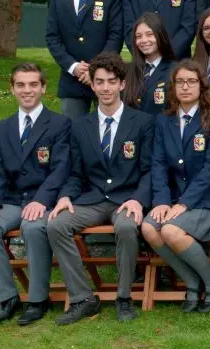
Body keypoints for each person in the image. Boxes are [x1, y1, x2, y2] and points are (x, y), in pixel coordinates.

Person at [47, 52, 154, 324]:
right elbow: (75, 172)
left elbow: (150, 169)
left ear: (122, 84)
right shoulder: (80, 126)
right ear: (92, 85)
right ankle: (84, 298)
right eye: (99, 82)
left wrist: (139, 200)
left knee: (127, 226)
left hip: (126, 198)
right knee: (56, 224)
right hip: (92, 199)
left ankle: (124, 297)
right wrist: (65, 196)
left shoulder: (142, 122)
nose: (105, 87)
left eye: (111, 81)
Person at [0, 63, 70, 325]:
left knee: (34, 226)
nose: (27, 91)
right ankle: (6, 297)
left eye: (33, 85)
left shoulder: (60, 124)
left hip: (44, 200)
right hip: (13, 200)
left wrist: (41, 200)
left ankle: (38, 299)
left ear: (43, 88)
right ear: (12, 89)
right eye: (21, 85)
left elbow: (61, 169)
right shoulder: (3, 128)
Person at [141, 60, 210, 314]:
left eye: (191, 81)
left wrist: (183, 204)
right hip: (174, 199)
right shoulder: (164, 121)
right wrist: (160, 201)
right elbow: (158, 163)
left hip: (207, 198)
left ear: (201, 86)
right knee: (149, 227)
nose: (185, 87)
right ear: (173, 87)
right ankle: (192, 281)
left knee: (170, 231)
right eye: (180, 82)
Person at [45, 0, 123, 119]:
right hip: (72, 79)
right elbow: (52, 37)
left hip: (105, 78)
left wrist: (96, 70)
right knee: (73, 134)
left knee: (107, 132)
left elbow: (116, 35)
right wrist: (73, 67)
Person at [122, 12, 177, 117]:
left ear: (160, 35)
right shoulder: (128, 70)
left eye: (149, 34)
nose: (144, 40)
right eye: (138, 36)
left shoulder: (174, 70)